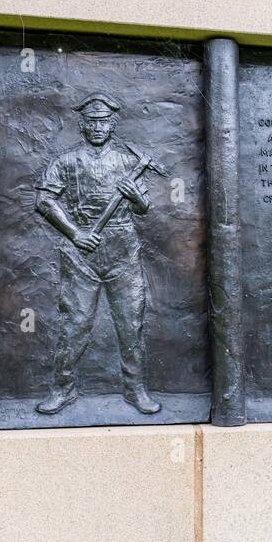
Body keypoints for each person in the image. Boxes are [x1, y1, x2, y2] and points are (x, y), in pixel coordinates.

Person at [33, 92, 161, 415]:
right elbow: (44, 202)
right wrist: (75, 234)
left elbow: (145, 208)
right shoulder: (65, 161)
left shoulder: (127, 162)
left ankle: (135, 389)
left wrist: (136, 197)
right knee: (74, 325)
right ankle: (63, 388)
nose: (98, 127)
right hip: (81, 254)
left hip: (123, 252)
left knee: (131, 324)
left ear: (113, 124)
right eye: (91, 121)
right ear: (82, 124)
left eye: (104, 121)